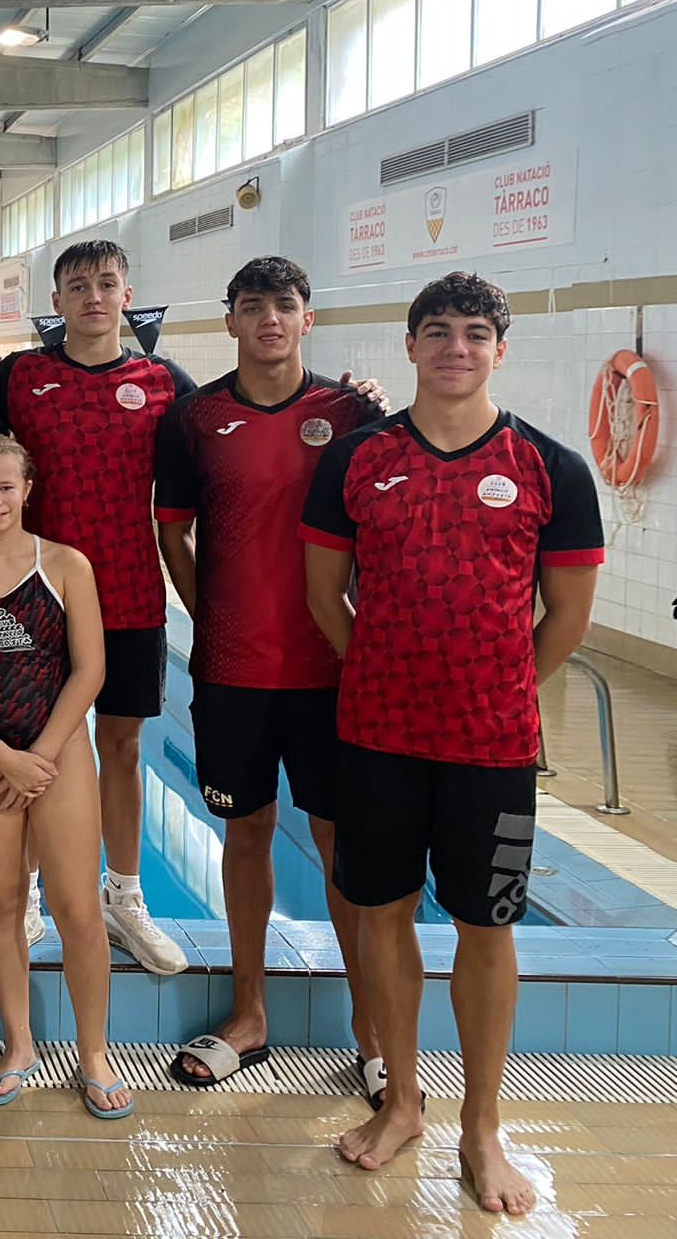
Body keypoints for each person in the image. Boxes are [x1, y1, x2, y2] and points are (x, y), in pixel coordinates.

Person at [303, 272, 601, 1217]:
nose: (456, 348)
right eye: (438, 331)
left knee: (488, 926)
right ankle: (401, 1102)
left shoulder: (552, 467)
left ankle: (482, 1127)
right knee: (382, 913)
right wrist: (385, 673)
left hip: (493, 748)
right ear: (411, 345)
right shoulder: (355, 459)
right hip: (379, 739)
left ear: (500, 350)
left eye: (476, 333)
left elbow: (567, 620)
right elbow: (324, 595)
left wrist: (492, 688)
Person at [153, 256, 385, 1096]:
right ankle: (249, 1014)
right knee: (244, 835)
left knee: (339, 846)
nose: (269, 322)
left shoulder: (352, 412)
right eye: (252, 308)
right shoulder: (193, 416)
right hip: (233, 670)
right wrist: (205, 614)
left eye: (284, 307)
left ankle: (371, 1031)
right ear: (231, 322)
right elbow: (172, 531)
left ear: (307, 319)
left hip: (330, 667)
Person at [0, 241, 196, 975]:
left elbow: (229, 447)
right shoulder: (22, 376)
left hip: (128, 591)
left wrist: (361, 407)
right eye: (77, 286)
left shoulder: (162, 381)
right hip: (35, 599)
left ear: (128, 294)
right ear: (58, 302)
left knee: (123, 747)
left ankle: (123, 895)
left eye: (106, 284)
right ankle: (30, 891)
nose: (93, 296)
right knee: (38, 746)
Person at [0, 433, 131, 1118]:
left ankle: (94, 1053)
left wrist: (38, 754)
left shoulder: (67, 565)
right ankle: (19, 1045)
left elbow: (91, 670)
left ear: (28, 488)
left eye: (6, 487)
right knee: (3, 901)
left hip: (61, 751)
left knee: (76, 908)